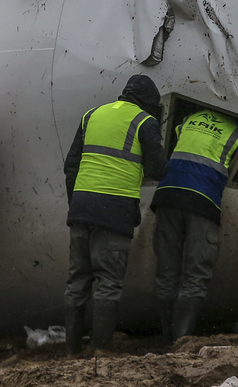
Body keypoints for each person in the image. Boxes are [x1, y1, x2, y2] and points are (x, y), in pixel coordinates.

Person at [62, 74, 167, 357]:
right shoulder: (146, 123)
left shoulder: (91, 115)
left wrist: (77, 204)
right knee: (108, 282)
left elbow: (71, 165)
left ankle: (71, 352)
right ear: (149, 103)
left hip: (81, 210)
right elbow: (158, 169)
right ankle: (101, 349)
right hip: (114, 212)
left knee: (77, 281)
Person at [151, 108, 238, 344]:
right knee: (195, 275)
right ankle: (181, 342)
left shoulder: (189, 118)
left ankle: (166, 341)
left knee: (167, 273)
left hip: (166, 194)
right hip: (202, 199)